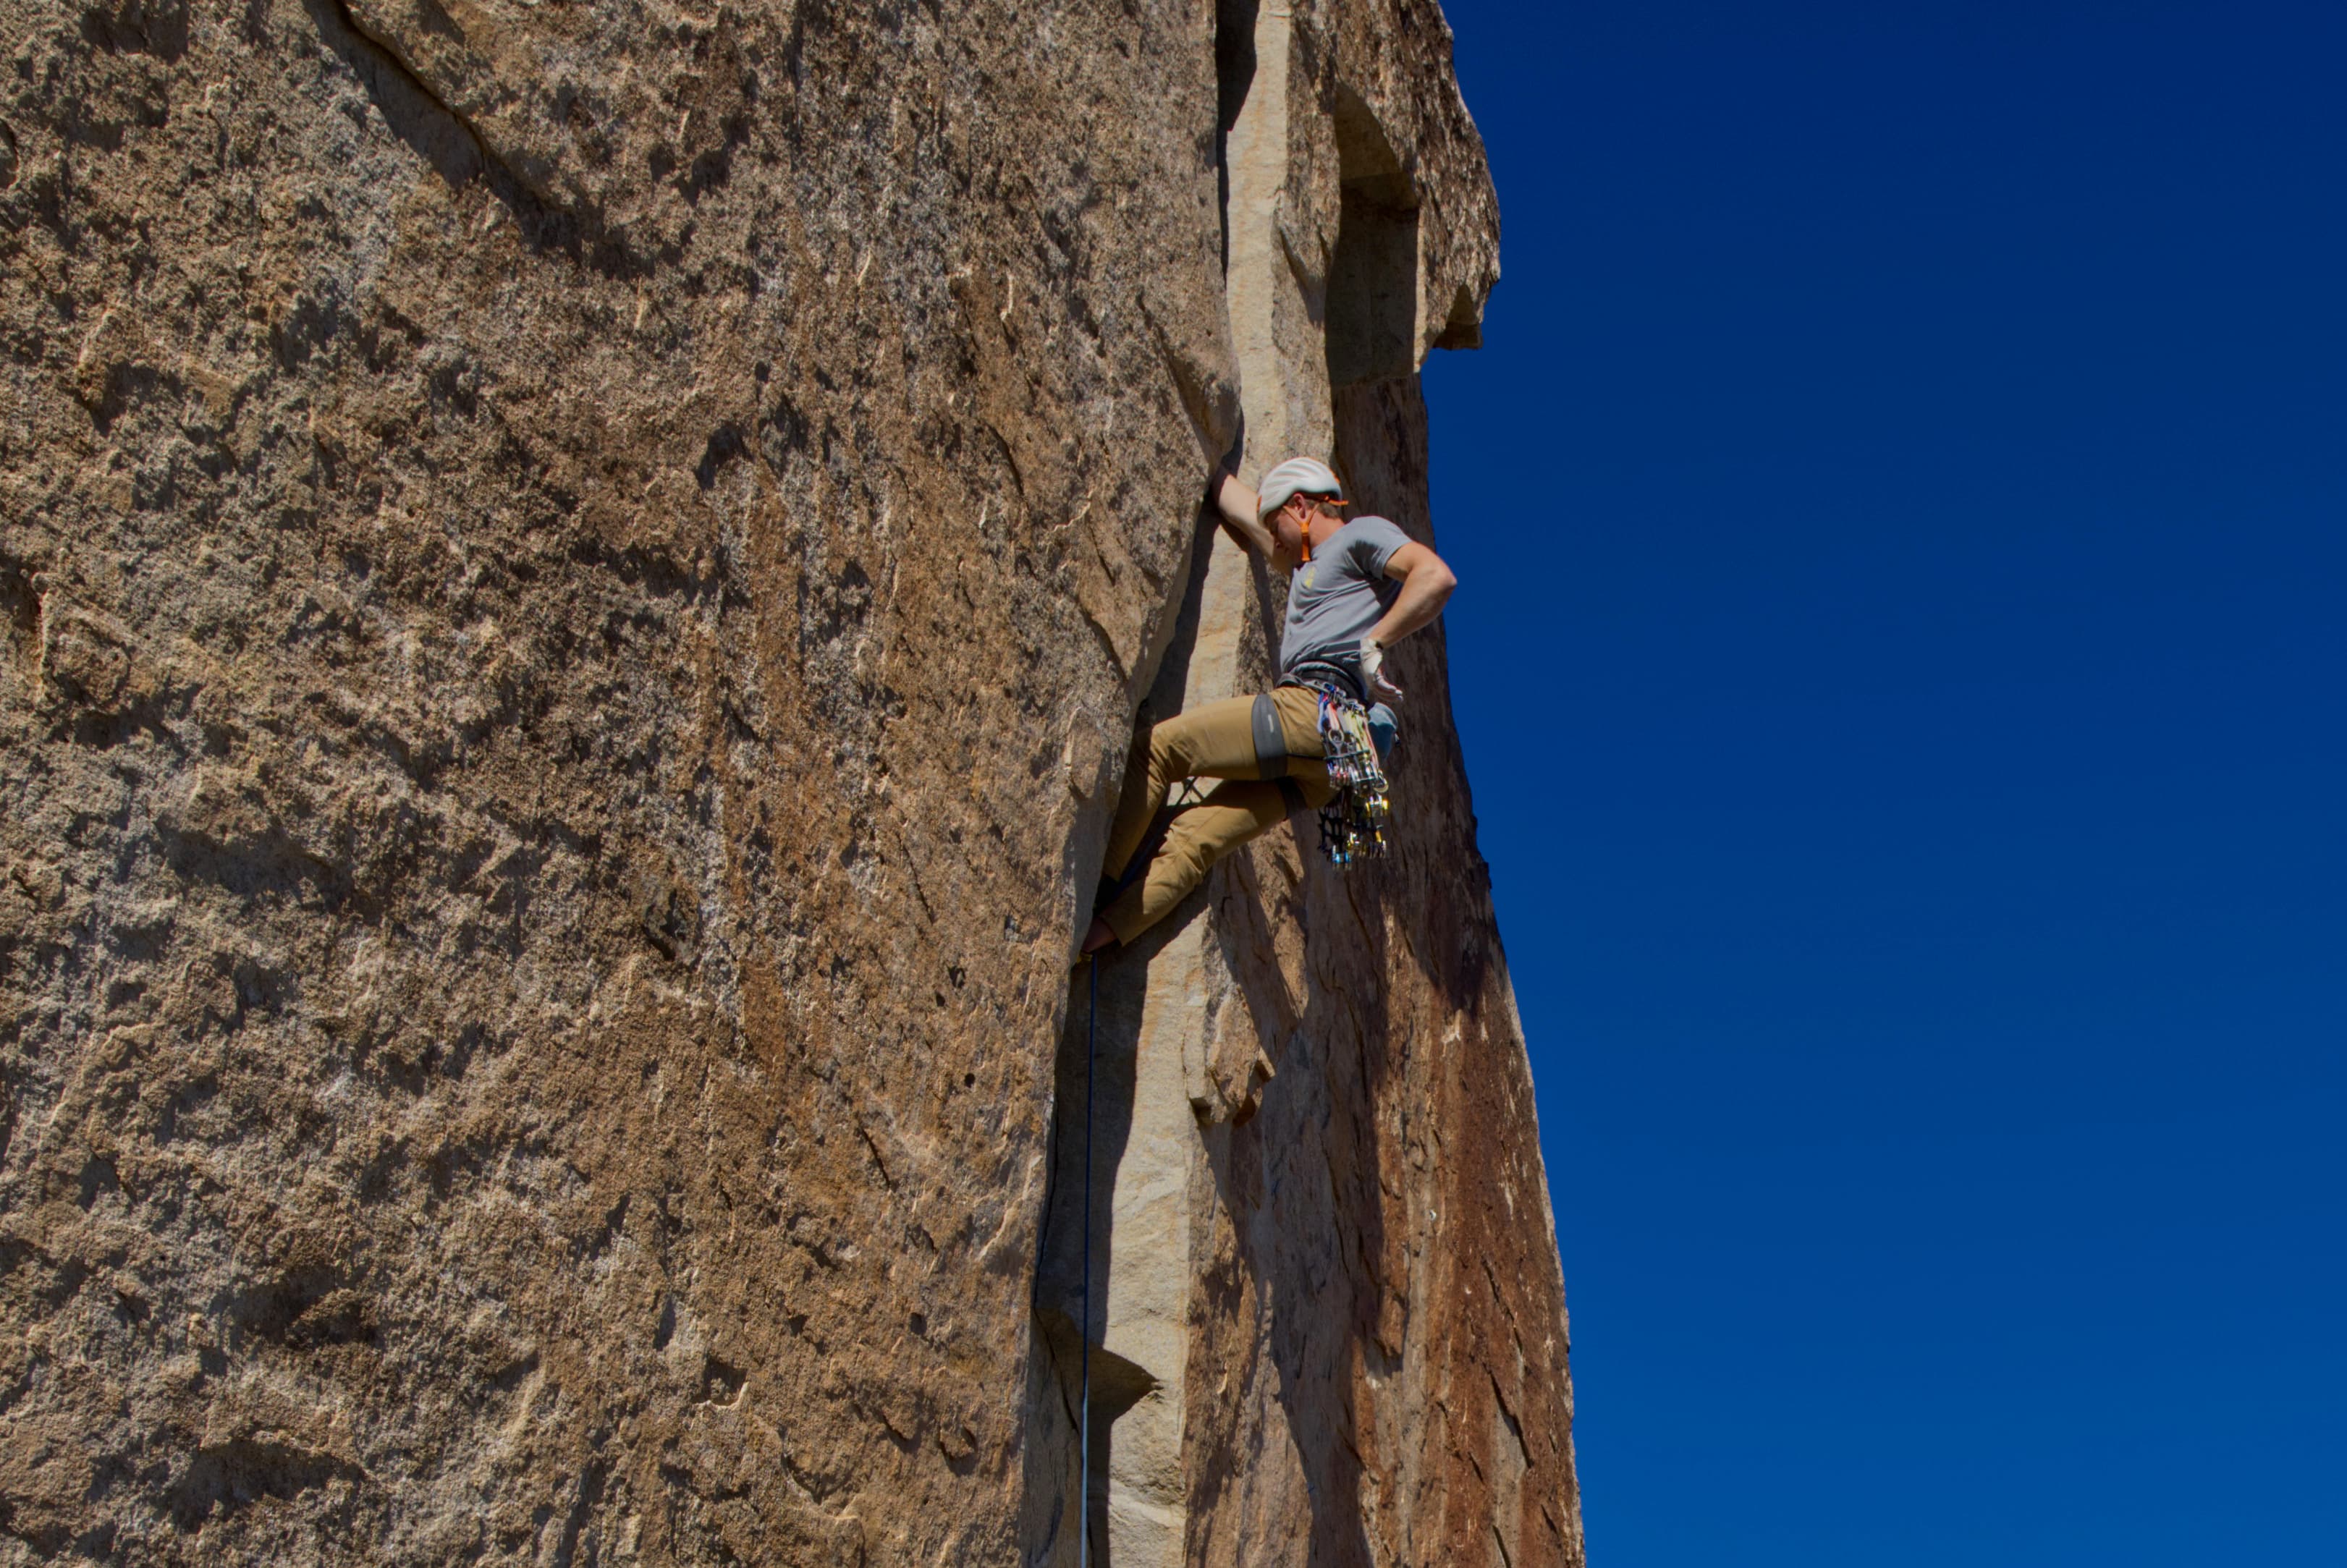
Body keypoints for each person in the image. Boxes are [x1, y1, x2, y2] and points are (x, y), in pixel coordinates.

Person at [1081, 456, 1458, 952]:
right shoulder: (1307, 566)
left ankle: (1083, 892)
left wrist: (1376, 642)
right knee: (1196, 840)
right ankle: (1092, 942)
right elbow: (1244, 511)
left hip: (1316, 711)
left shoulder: (1360, 534)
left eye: (1278, 523)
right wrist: (1207, 455)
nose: (1274, 539)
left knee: (1157, 751)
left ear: (1301, 505)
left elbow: (1434, 576)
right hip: (1331, 767)